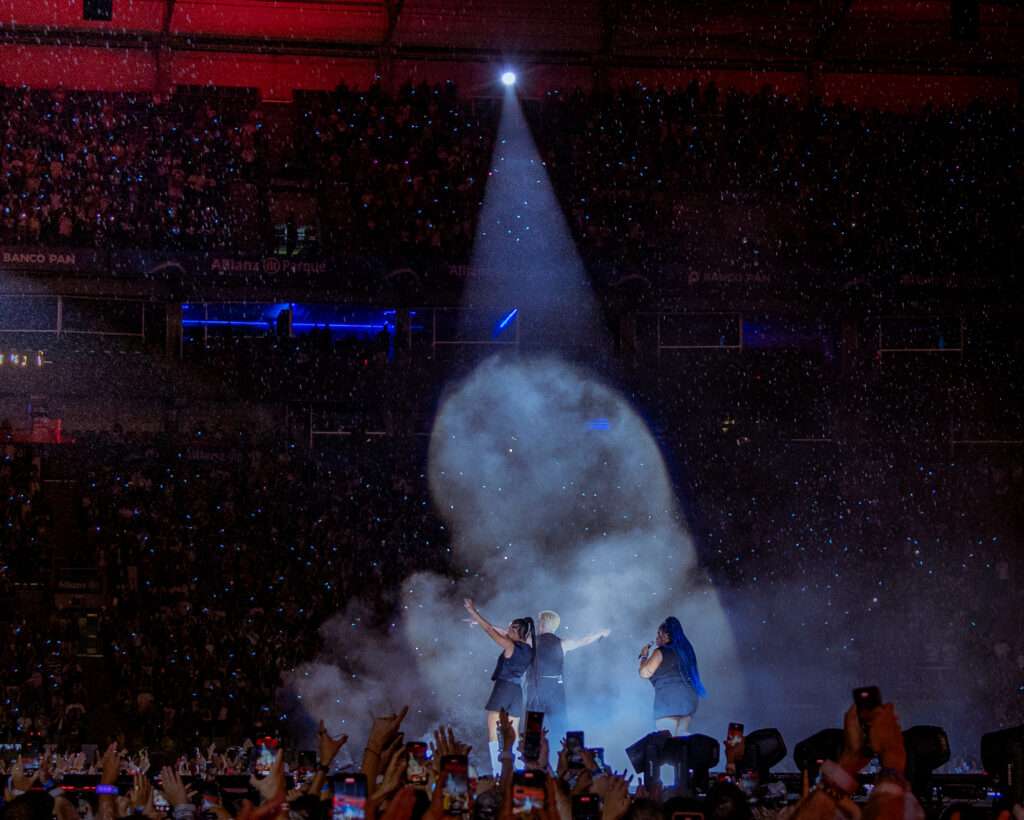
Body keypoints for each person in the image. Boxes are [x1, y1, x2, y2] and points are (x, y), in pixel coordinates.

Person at [463, 598, 535, 776]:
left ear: (516, 631)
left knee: (495, 734)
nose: (507, 629)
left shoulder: (510, 646)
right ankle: (517, 771)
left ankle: (498, 773)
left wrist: (474, 612)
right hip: (517, 694)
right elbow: (500, 632)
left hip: (503, 689)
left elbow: (489, 630)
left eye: (510, 627)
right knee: (514, 734)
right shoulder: (530, 648)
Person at [525, 610, 609, 748]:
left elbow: (508, 636)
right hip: (554, 691)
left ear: (543, 623)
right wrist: (601, 633)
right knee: (560, 730)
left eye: (539, 621)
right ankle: (561, 761)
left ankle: (535, 762)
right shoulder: (562, 643)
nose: (538, 623)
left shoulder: (532, 641)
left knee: (534, 732)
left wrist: (486, 625)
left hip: (538, 691)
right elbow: (584, 640)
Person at [638, 616, 706, 735]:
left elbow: (644, 672)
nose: (656, 638)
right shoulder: (686, 651)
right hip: (688, 704)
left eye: (659, 634)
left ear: (667, 635)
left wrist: (644, 656)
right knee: (681, 742)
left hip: (669, 704)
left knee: (667, 744)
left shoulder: (661, 652)